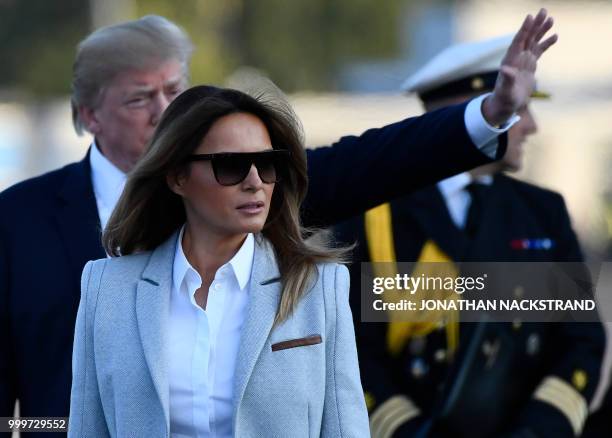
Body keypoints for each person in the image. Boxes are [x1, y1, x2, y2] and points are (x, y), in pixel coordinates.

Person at [0, 10, 555, 434]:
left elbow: (381, 156)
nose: (165, 108)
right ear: (89, 114)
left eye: (175, 89)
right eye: (143, 97)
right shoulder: (20, 222)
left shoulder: (261, 190)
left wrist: (491, 113)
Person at [334, 35, 604, 437]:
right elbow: (352, 352)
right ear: (470, 113)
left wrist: (540, 429)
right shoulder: (376, 214)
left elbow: (579, 340)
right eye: (521, 109)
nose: (532, 126)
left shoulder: (542, 214)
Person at [67, 84, 369, 437]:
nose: (255, 182)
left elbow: (347, 429)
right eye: (231, 166)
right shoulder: (106, 288)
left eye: (268, 163)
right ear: (178, 176)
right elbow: (87, 429)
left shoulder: (320, 287)